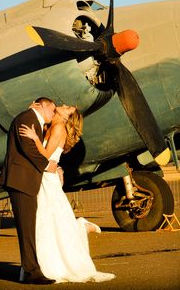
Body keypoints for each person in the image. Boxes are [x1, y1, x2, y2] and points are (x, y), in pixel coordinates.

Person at [18, 104, 115, 283]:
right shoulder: (50, 126)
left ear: (67, 117)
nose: (63, 106)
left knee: (51, 221)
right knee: (49, 222)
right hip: (44, 177)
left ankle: (79, 228)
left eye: (68, 108)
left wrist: (33, 138)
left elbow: (46, 155)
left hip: (48, 180)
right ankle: (79, 229)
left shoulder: (59, 128)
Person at [0, 97, 57, 285]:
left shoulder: (33, 121)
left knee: (28, 228)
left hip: (25, 182)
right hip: (20, 181)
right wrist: (46, 166)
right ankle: (32, 272)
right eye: (52, 109)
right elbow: (28, 148)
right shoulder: (27, 118)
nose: (53, 113)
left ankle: (29, 269)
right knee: (26, 229)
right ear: (41, 105)